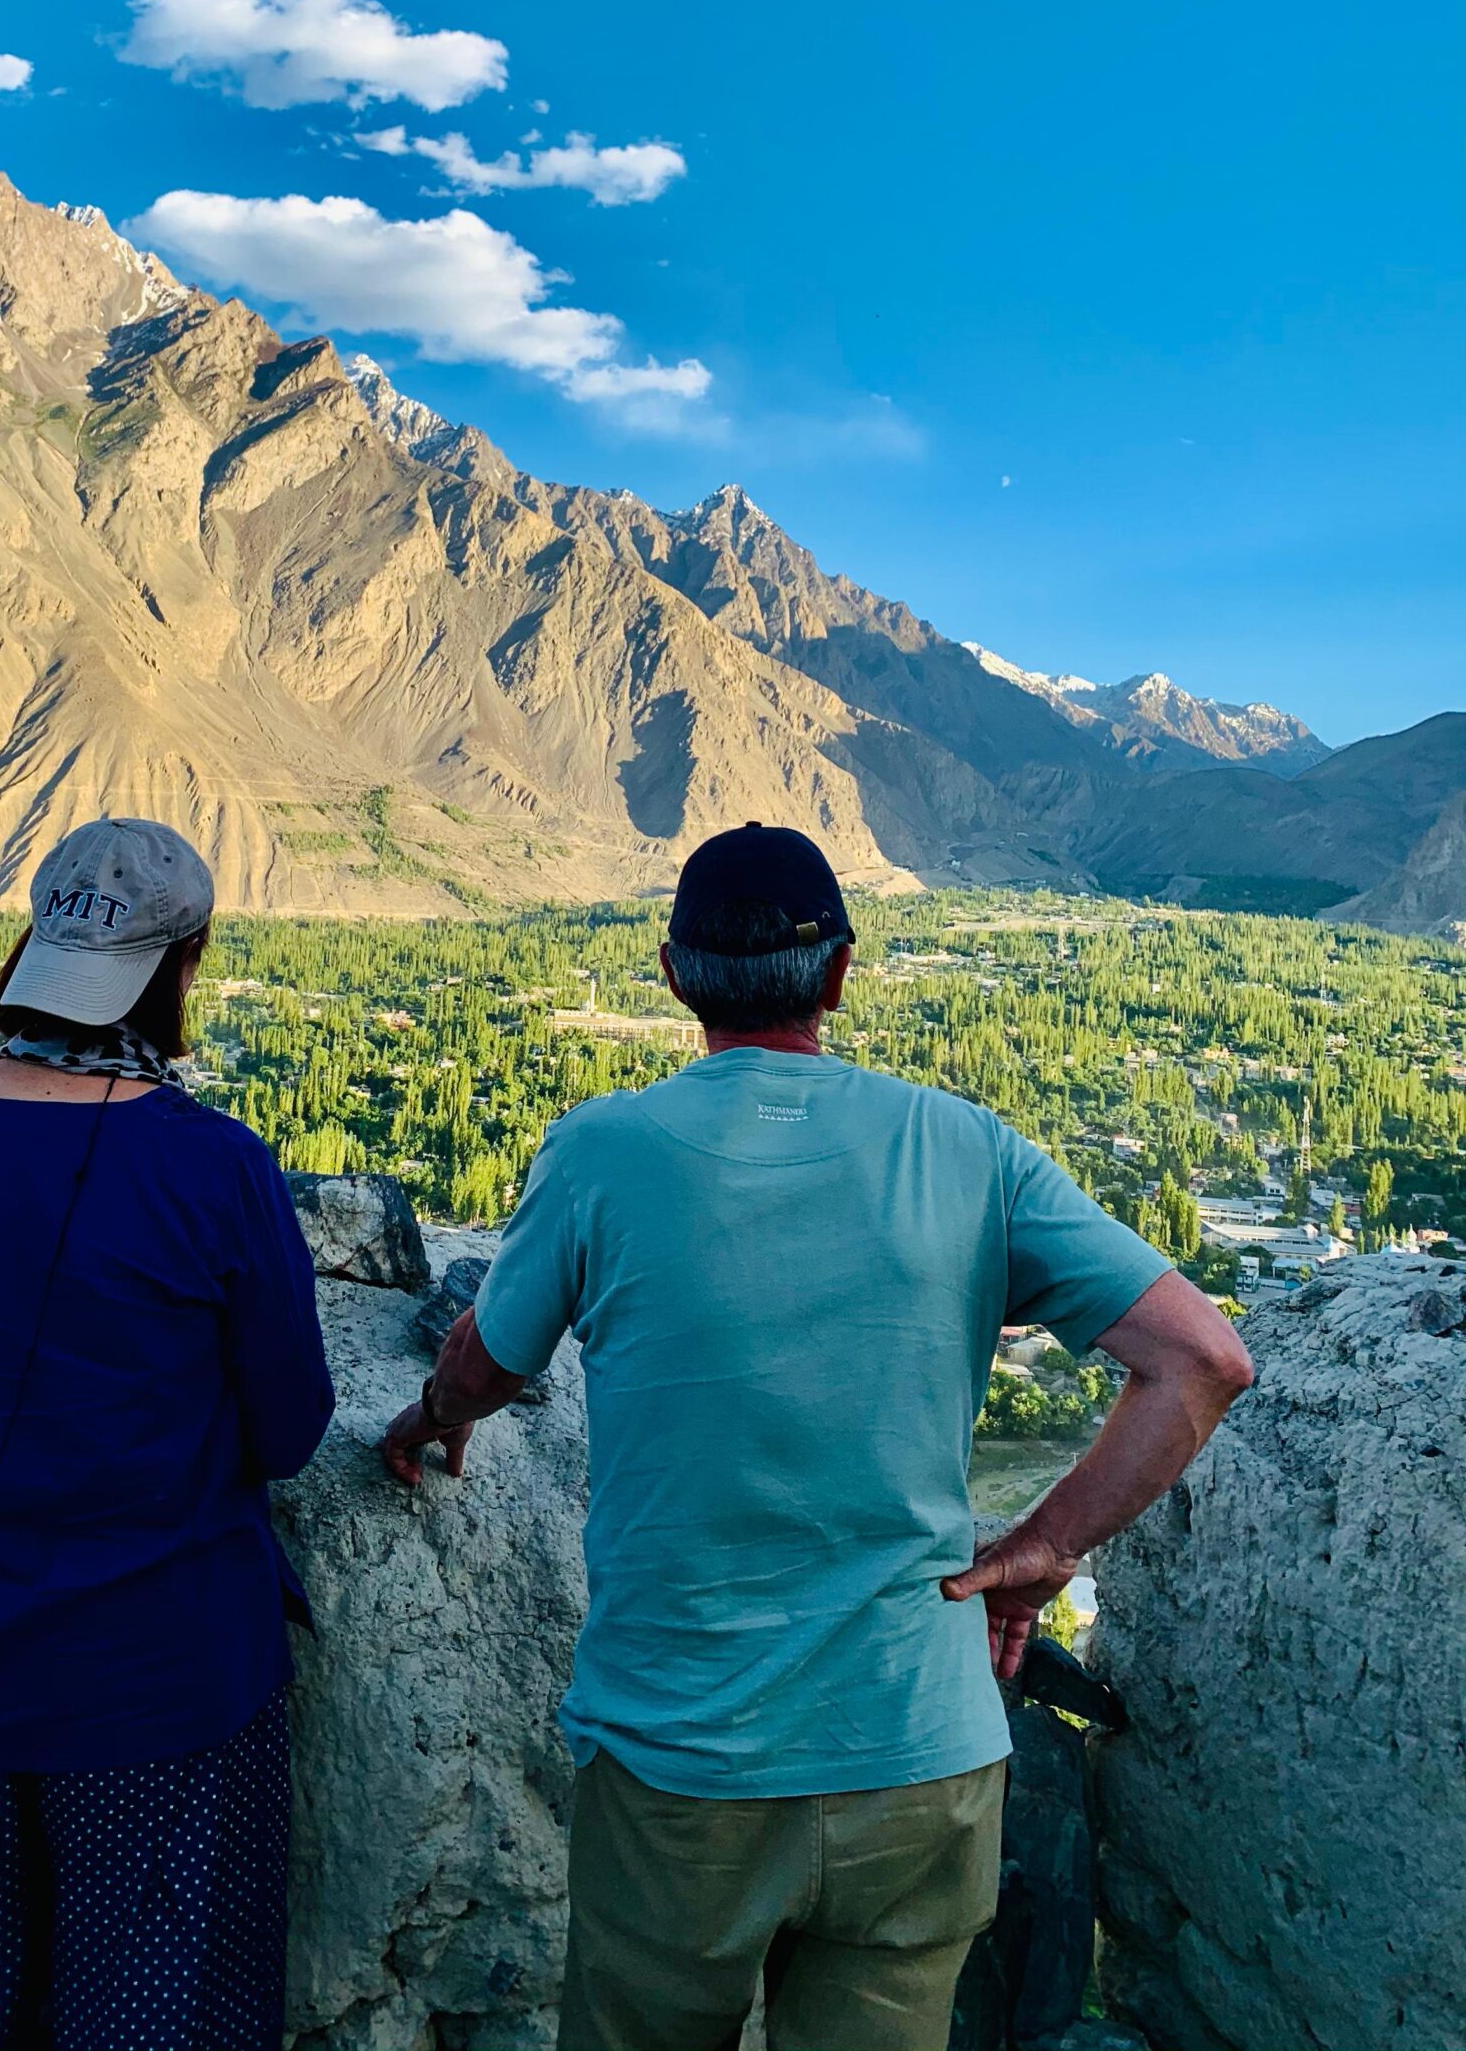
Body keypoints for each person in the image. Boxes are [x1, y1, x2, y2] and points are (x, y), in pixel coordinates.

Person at [382, 823, 1253, 2051]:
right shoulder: (969, 1149)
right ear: (841, 973)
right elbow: (1203, 1360)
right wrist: (1046, 1546)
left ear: (676, 975)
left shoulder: (601, 1152)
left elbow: (484, 1360)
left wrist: (430, 1418)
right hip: (920, 1756)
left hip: (683, 1765)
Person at [0, 816, 334, 2051]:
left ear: (38, 949)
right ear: (184, 968)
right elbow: (289, 1427)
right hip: (154, 1696)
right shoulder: (217, 1166)